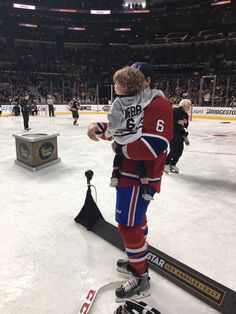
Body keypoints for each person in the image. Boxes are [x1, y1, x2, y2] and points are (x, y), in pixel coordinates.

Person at [87, 62, 173, 301]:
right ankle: (139, 257)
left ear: (147, 81)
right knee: (137, 220)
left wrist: (120, 148)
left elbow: (153, 145)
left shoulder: (159, 104)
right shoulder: (137, 101)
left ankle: (140, 277)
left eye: (137, 78)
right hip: (128, 174)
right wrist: (100, 128)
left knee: (127, 225)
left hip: (140, 178)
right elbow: (123, 129)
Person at [106, 66, 164, 201]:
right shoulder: (142, 97)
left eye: (116, 83)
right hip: (136, 138)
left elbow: (113, 123)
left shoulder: (118, 103)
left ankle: (115, 174)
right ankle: (145, 187)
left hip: (121, 139)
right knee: (139, 164)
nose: (114, 86)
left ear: (124, 85)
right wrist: (161, 96)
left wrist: (109, 134)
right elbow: (157, 93)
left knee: (118, 154)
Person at [164, 98, 191, 174]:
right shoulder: (175, 111)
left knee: (180, 151)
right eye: (188, 106)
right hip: (173, 133)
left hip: (180, 134)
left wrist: (185, 123)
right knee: (174, 149)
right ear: (183, 105)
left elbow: (186, 126)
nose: (189, 108)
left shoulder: (185, 114)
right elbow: (168, 120)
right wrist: (178, 121)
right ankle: (166, 164)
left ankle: (173, 164)